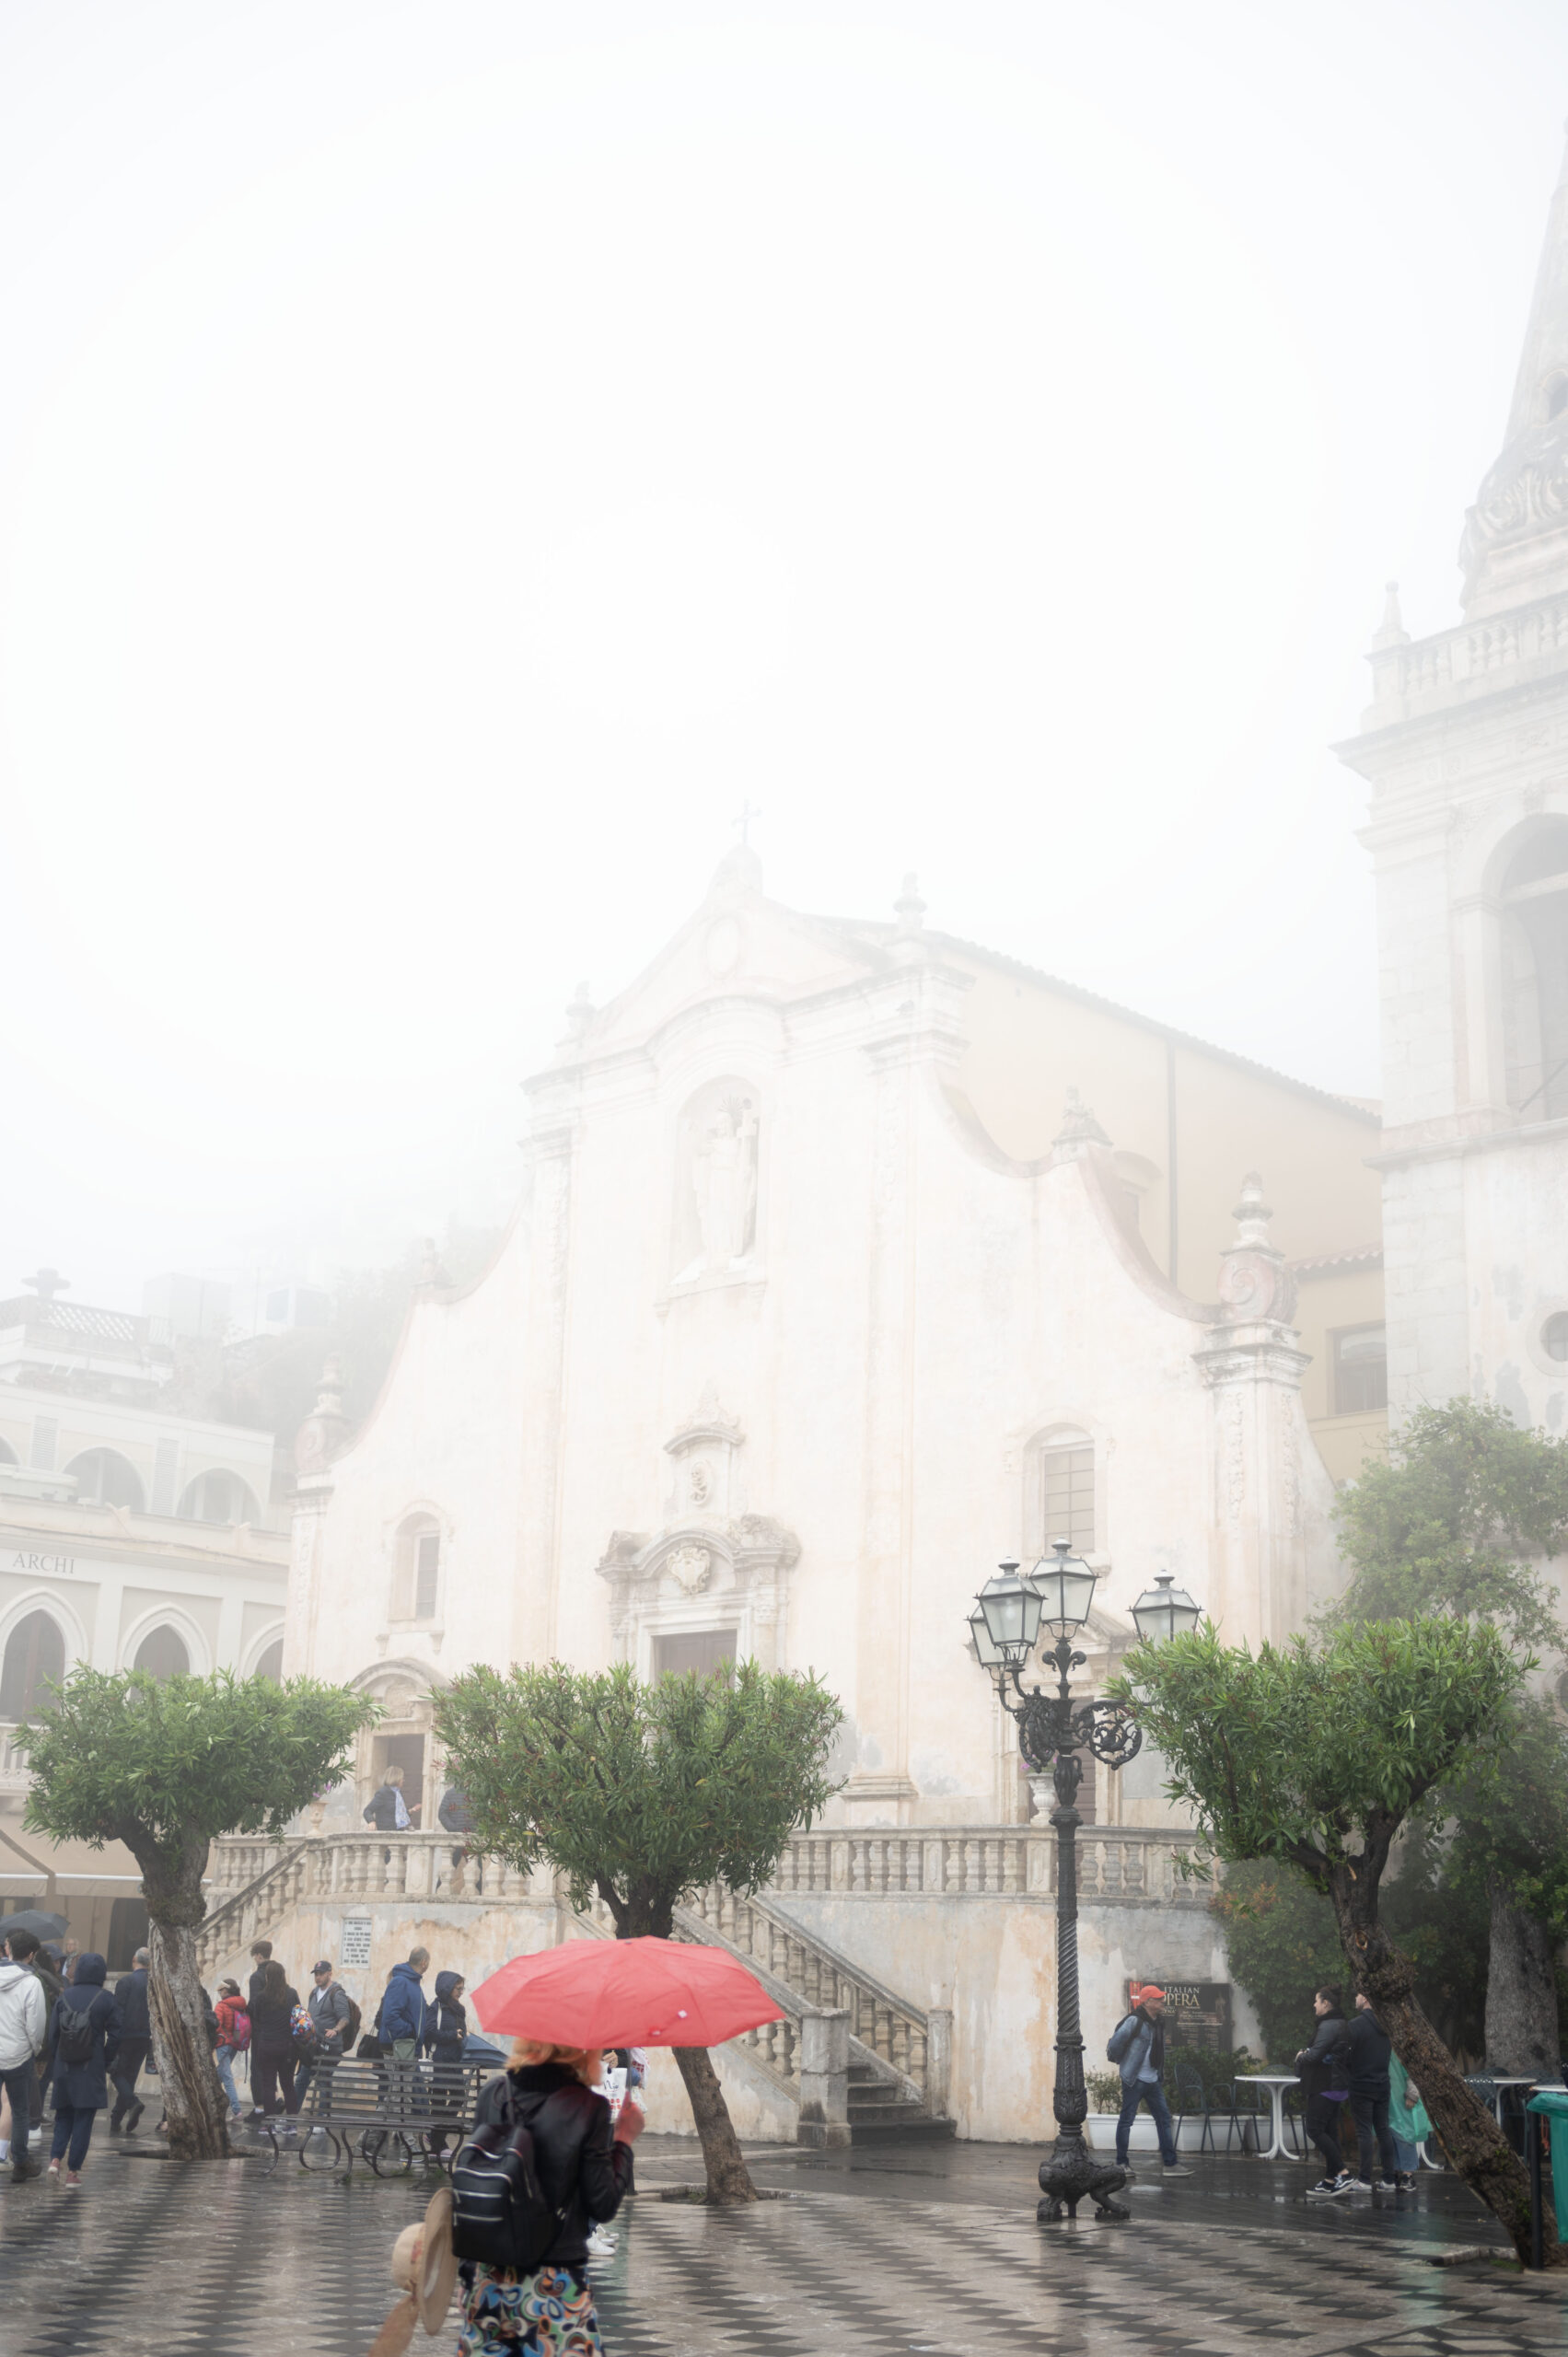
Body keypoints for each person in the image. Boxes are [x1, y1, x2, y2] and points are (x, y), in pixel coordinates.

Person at [458, 2039, 643, 2353]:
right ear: (578, 2049)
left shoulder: (494, 2093)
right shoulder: (587, 2107)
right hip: (555, 2282)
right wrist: (624, 2140)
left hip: (490, 2275)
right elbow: (603, 2203)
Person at [44, 1952, 121, 2186]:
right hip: (91, 2067)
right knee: (83, 2121)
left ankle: (55, 2160)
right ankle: (73, 2173)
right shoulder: (107, 1999)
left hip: (64, 2066)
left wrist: (59, 2059)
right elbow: (117, 2034)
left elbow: (53, 2034)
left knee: (63, 2116)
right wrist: (106, 2059)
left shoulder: (64, 1997)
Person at [1106, 1984, 1192, 2179]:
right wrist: (1122, 2064)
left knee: (1163, 2119)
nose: (1163, 2001)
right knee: (1127, 2120)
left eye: (1162, 1998)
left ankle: (1170, 2164)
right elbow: (1116, 2043)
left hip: (1153, 2079)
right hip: (1134, 2079)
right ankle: (1121, 2163)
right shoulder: (1134, 2021)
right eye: (1158, 1998)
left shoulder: (1159, 2022)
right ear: (1147, 2002)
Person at [0, 1929, 48, 2181]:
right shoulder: (32, 1983)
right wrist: (34, 2048)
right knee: (19, 2110)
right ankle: (19, 2160)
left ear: (8, 1950)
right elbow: (36, 2025)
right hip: (18, 2054)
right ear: (31, 1955)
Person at [1296, 1985, 1353, 2197]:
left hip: (1324, 2085)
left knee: (1314, 2130)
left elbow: (1315, 2055)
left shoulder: (1329, 2026)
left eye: (1316, 2001)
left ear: (1326, 2003)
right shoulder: (1340, 2024)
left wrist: (1301, 2055)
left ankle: (1343, 2172)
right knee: (1329, 2132)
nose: (1314, 2005)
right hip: (1336, 2086)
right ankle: (1330, 2181)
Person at [1343, 1991, 1400, 2191]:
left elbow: (1347, 2056)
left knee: (1364, 2132)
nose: (1355, 1998)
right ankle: (1388, 2179)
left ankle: (1365, 2179)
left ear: (1366, 1998)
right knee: (1383, 2130)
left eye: (1357, 1994)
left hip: (1361, 2084)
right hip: (1382, 2084)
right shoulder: (1386, 2026)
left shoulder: (1355, 2025)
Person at [248, 1958, 303, 2131]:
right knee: (288, 2085)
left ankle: (269, 2124)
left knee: (268, 2085)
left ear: (268, 1977)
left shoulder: (261, 1997)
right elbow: (298, 2015)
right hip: (287, 2047)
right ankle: (292, 2125)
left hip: (267, 2045)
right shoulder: (292, 1993)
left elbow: (255, 2016)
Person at [380, 1947, 429, 2120]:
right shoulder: (401, 1981)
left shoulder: (414, 1984)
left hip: (409, 2047)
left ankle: (370, 2141)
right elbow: (390, 2016)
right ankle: (405, 2141)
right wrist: (410, 2032)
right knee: (398, 2097)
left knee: (398, 2097)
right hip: (399, 2047)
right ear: (424, 1962)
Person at [299, 1959, 352, 2113]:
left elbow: (345, 2017)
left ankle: (322, 2120)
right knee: (301, 2080)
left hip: (329, 2047)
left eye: (321, 1974)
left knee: (324, 2082)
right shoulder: (314, 1993)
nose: (318, 1977)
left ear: (330, 1973)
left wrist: (336, 2030)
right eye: (316, 1974)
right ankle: (290, 2118)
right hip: (312, 2046)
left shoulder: (337, 1993)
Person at [110, 1947, 152, 2133]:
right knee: (130, 2077)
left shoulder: (126, 1982)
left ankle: (132, 2103)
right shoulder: (155, 1983)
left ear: (134, 1959)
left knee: (116, 2073)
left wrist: (113, 2035)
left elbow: (118, 2011)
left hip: (126, 2035)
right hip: (145, 2036)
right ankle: (116, 2118)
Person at [424, 1970, 467, 2153]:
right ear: (448, 1988)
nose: (460, 1992)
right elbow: (429, 2032)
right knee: (439, 2102)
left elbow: (461, 2033)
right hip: (440, 2061)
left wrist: (465, 2038)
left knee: (458, 2097)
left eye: (462, 1988)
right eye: (458, 1988)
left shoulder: (459, 2009)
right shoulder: (436, 2007)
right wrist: (452, 2035)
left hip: (455, 2061)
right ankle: (438, 2144)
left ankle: (435, 2136)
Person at [1388, 2050, 1428, 2191]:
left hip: (1402, 2100)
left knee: (1405, 2136)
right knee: (1389, 2137)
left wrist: (1412, 2095)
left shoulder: (1399, 2050)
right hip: (1388, 2101)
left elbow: (1412, 2074)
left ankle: (1407, 2174)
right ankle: (1392, 2171)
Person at [214, 1980, 247, 2124]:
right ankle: (213, 2106)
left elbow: (215, 2025)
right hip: (234, 2044)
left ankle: (237, 2111)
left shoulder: (221, 2006)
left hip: (222, 2044)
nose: (219, 1993)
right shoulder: (241, 2004)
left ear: (226, 1990)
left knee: (226, 2078)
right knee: (218, 2077)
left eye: (220, 1990)